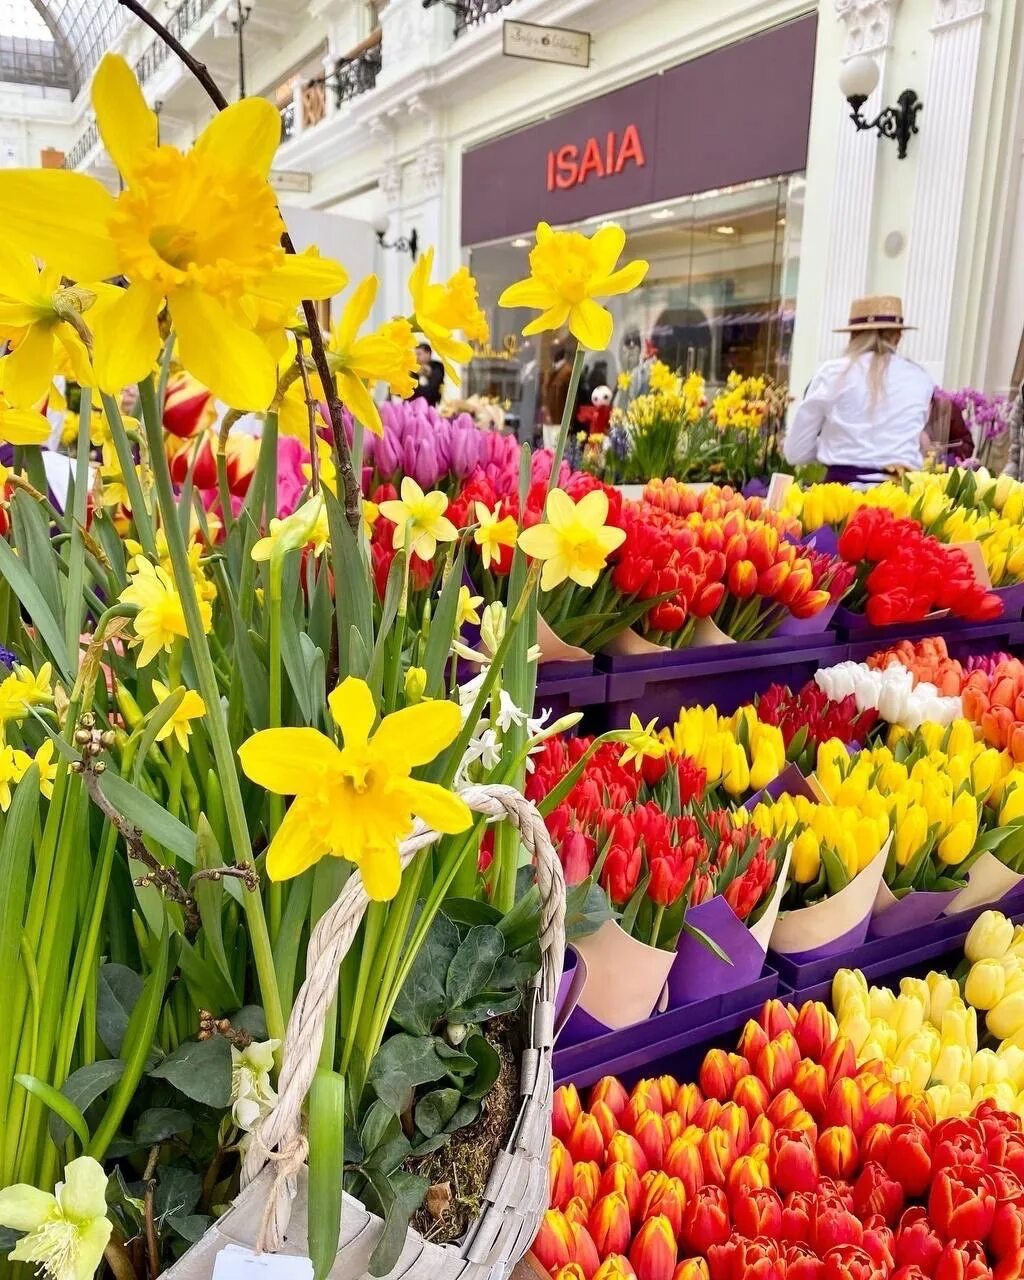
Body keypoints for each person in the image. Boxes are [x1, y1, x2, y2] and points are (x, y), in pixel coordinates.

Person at [784, 295, 934, 482]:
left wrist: (836, 450)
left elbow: (795, 451)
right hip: (899, 496)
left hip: (842, 495)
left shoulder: (834, 373)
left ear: (853, 336)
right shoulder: (920, 378)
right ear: (898, 336)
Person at [543, 344, 573, 426]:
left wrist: (568, 423)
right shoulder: (549, 372)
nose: (550, 353)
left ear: (560, 352)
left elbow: (572, 399)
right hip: (547, 420)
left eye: (553, 350)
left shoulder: (568, 372)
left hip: (559, 422)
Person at [410, 341, 444, 407]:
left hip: (430, 406)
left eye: (419, 354)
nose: (416, 357)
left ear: (428, 354)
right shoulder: (413, 368)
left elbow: (431, 390)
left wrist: (429, 373)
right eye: (415, 354)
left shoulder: (437, 367)